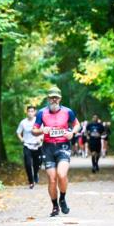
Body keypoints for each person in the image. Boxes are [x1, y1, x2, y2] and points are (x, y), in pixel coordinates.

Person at [32, 87, 80, 217]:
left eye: (56, 97)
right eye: (52, 97)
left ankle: (62, 198)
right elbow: (34, 130)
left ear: (60, 98)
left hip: (63, 146)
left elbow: (77, 125)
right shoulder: (42, 113)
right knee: (52, 179)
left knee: (61, 174)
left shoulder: (68, 111)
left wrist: (72, 132)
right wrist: (43, 130)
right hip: (47, 148)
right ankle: (54, 206)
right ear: (48, 98)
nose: (54, 99)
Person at [15, 105, 43, 188]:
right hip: (27, 145)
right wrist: (21, 139)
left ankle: (36, 174)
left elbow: (44, 132)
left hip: (37, 145)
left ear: (35, 112)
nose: (30, 113)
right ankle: (31, 182)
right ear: (26, 112)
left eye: (32, 111)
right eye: (29, 111)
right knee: (27, 164)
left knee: (37, 163)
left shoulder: (38, 121)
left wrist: (41, 138)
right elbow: (18, 132)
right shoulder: (23, 122)